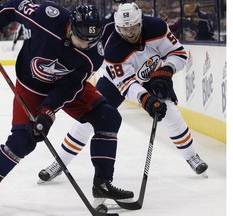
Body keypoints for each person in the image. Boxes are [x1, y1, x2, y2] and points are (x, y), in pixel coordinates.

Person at [0, 1, 135, 215]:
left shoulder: (94, 53)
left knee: (108, 117)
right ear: (70, 27)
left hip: (63, 84)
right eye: (81, 39)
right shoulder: (46, 17)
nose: (85, 45)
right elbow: (12, 7)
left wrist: (47, 112)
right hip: (31, 86)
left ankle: (102, 183)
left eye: (90, 41)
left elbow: (70, 86)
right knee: (23, 140)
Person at [38, 2, 209, 184]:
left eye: (133, 27)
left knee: (171, 115)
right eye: (124, 29)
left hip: (155, 76)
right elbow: (127, 85)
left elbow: (178, 53)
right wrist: (146, 100)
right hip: (115, 82)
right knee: (89, 120)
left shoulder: (157, 27)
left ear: (141, 22)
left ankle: (191, 156)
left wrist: (166, 70)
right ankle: (60, 162)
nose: (129, 33)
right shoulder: (112, 48)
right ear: (117, 26)